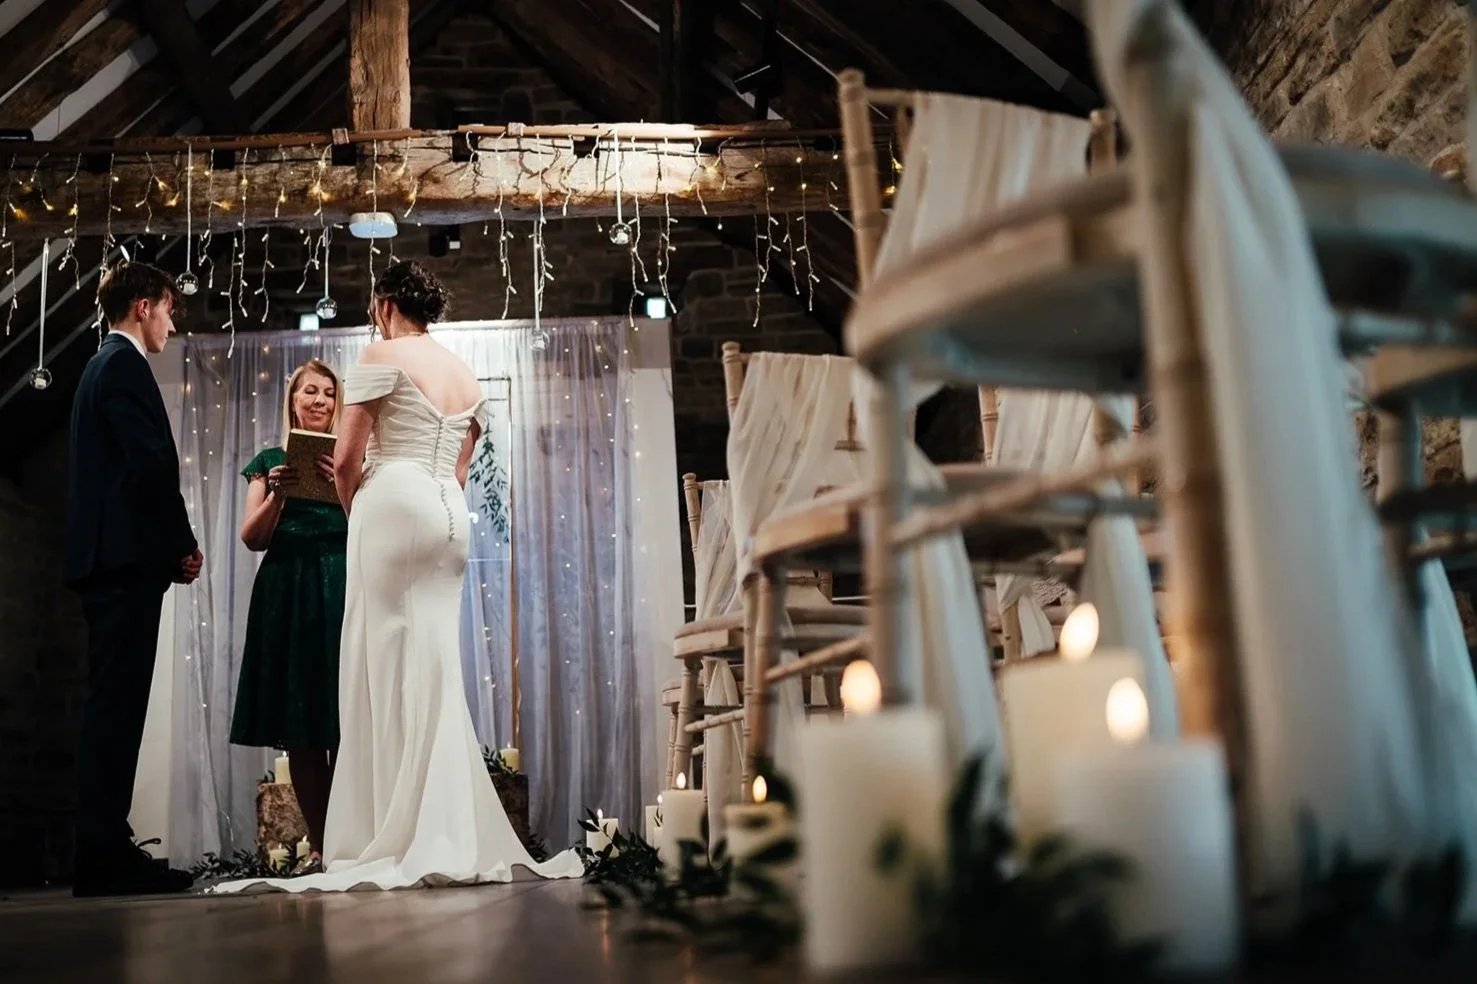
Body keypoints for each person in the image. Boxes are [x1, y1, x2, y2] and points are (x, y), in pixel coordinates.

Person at [212, 261, 581, 893]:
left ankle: (384, 831)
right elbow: (462, 470)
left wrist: (360, 514)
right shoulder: (461, 372)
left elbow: (348, 460)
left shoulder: (381, 353)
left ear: (384, 305)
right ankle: (440, 825)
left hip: (393, 504)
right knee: (434, 669)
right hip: (448, 514)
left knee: (379, 665)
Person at [64, 261, 200, 897]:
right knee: (116, 710)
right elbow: (148, 468)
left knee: (112, 708)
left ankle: (102, 846)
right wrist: (181, 546)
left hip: (110, 562)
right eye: (169, 309)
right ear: (144, 306)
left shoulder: (100, 366)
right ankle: (101, 854)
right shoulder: (121, 366)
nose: (172, 323)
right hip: (123, 564)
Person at [230, 358, 347, 873]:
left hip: (341, 589)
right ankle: (321, 845)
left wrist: (343, 482)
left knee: (344, 721)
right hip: (287, 593)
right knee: (301, 723)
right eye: (309, 393)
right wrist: (278, 492)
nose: (319, 401)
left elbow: (372, 527)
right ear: (293, 401)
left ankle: (350, 839)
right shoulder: (268, 461)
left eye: (327, 393)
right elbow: (252, 538)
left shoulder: (350, 458)